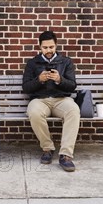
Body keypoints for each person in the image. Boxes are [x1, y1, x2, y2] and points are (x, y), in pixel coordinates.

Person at [22, 30, 79, 172]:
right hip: (40, 100)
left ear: (56, 45)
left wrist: (60, 79)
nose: (49, 50)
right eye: (45, 47)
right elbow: (26, 87)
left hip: (61, 99)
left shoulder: (66, 62)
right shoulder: (32, 63)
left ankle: (66, 155)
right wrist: (39, 80)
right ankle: (47, 148)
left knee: (73, 110)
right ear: (40, 47)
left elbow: (72, 86)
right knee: (33, 112)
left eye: (51, 47)